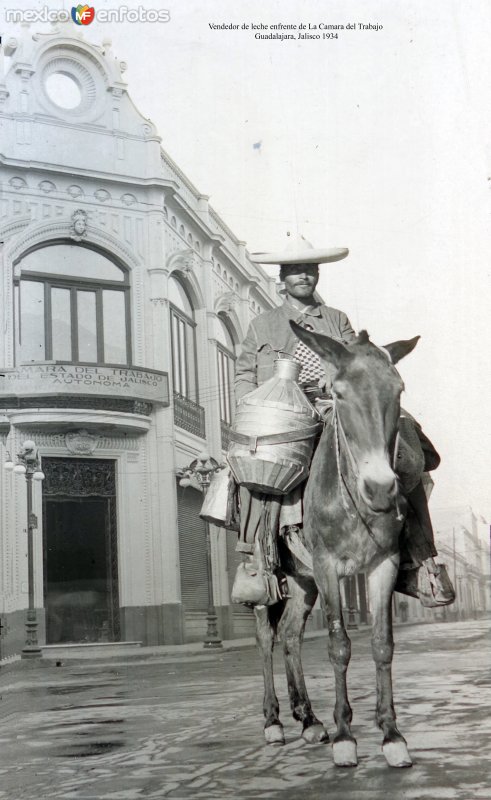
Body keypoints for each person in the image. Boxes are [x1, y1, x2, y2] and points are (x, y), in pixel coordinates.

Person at [233, 235, 455, 608]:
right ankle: (258, 562)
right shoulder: (262, 325)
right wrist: (257, 404)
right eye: (296, 270)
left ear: (317, 276)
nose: (304, 276)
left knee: (405, 448)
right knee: (251, 474)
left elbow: (357, 358)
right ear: (282, 278)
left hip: (334, 405)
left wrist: (337, 373)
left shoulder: (336, 319)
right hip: (284, 415)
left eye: (310, 270)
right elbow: (243, 373)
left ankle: (422, 559)